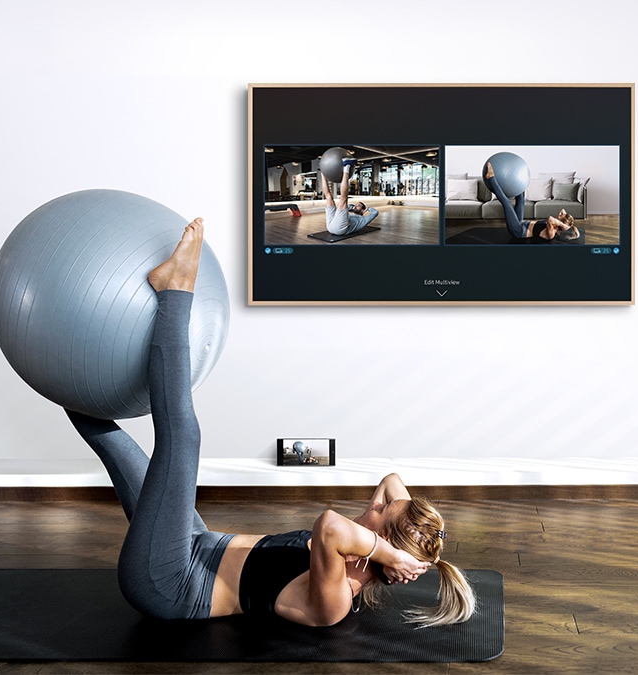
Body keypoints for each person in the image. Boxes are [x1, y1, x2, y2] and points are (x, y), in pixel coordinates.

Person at [67, 218, 474, 627]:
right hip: (193, 543)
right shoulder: (367, 538)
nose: (376, 502)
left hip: (170, 584)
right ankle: (54, 374)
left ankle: (175, 291)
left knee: (183, 439)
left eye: (380, 512)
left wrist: (389, 553)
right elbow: (392, 479)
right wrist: (401, 541)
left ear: (380, 545)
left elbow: (330, 526)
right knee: (108, 437)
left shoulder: (336, 599)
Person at [484, 162, 579, 241]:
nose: (559, 214)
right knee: (521, 198)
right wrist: (566, 222)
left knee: (507, 203)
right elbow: (563, 210)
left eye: (560, 216)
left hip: (517, 231)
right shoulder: (556, 222)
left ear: (560, 223)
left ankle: (491, 178)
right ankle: (515, 175)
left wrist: (563, 224)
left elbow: (550, 218)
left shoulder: (551, 233)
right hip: (520, 222)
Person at [324, 157, 379, 237]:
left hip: (340, 230)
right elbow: (349, 207)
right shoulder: (351, 214)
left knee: (343, 199)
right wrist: (353, 207)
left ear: (363, 210)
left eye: (358, 205)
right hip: (330, 226)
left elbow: (375, 212)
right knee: (328, 197)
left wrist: (368, 209)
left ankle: (346, 166)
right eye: (356, 205)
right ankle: (323, 172)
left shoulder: (364, 220)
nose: (356, 206)